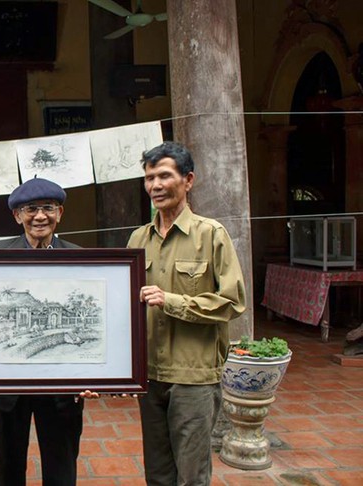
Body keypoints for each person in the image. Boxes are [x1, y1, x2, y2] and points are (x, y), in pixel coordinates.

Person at [0, 177, 88, 486]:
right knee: (7, 472)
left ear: (59, 213)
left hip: (62, 389)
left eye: (47, 208)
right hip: (6, 389)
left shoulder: (80, 256)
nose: (39, 216)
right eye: (30, 209)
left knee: (62, 470)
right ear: (16, 215)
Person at [127, 141, 247, 485]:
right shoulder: (138, 239)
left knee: (192, 474)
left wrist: (173, 300)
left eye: (164, 175)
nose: (155, 185)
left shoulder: (211, 235)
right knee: (158, 472)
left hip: (193, 376)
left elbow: (233, 301)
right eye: (149, 178)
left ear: (188, 180)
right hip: (149, 375)